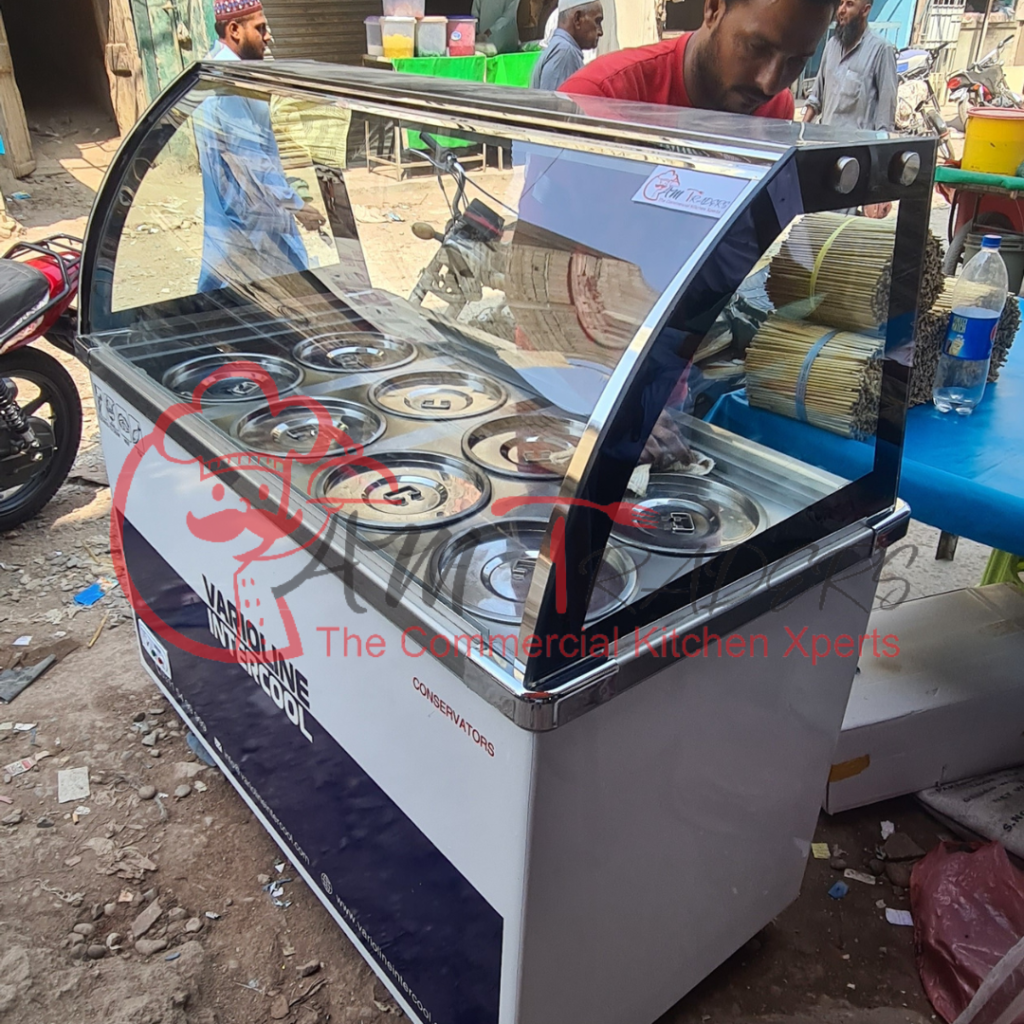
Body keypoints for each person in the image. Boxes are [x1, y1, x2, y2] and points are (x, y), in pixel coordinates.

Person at [196, 0, 325, 292]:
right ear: (234, 30)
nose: (269, 36)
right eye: (260, 28)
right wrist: (297, 206)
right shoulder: (229, 83)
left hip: (242, 216)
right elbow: (252, 158)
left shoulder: (218, 67)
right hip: (250, 219)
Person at [557, 0, 837, 118]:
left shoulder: (776, 111)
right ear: (713, 9)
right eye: (756, 47)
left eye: (796, 62)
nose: (770, 84)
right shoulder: (597, 99)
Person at [802, 0, 898, 133]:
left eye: (849, 4)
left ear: (865, 11)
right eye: (840, 3)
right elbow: (815, 99)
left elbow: (885, 118)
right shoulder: (831, 46)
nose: (841, 10)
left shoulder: (881, 50)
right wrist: (800, 132)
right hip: (824, 142)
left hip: (857, 149)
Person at [532, 0, 604, 90]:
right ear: (577, 19)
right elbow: (555, 102)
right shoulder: (564, 53)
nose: (601, 32)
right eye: (597, 22)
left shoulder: (562, 49)